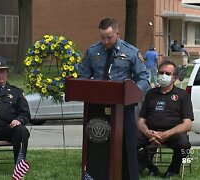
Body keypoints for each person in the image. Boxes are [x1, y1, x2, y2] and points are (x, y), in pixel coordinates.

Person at [79, 17, 149, 180]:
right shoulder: (93, 51)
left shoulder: (131, 52)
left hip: (124, 110)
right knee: (97, 148)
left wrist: (133, 93)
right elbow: (83, 77)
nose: (105, 41)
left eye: (109, 37)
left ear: (117, 33)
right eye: (102, 37)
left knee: (127, 150)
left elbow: (143, 79)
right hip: (97, 110)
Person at [137, 60, 194, 178]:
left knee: (184, 144)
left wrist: (167, 134)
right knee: (127, 142)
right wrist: (148, 133)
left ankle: (172, 170)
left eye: (168, 74)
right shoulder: (150, 94)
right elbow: (141, 120)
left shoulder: (183, 95)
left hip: (172, 133)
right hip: (150, 132)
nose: (163, 76)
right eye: (161, 72)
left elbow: (187, 124)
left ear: (175, 78)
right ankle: (151, 167)